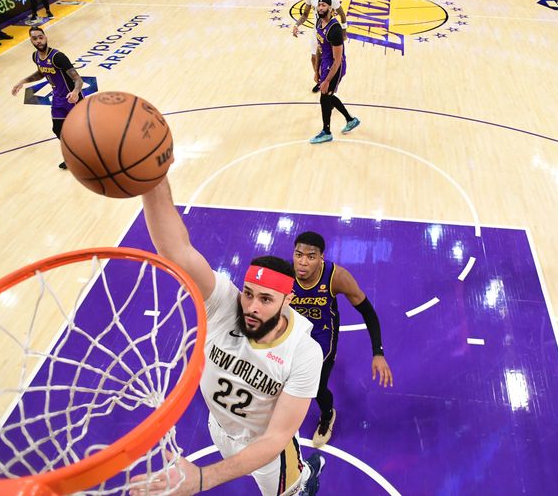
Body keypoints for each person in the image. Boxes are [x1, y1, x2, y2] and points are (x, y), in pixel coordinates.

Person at [127, 178, 326, 496]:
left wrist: (201, 479)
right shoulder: (224, 305)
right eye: (248, 293)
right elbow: (177, 250)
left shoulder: (304, 352)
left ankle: (306, 477)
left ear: (286, 302)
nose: (251, 306)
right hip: (219, 428)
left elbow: (275, 439)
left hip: (267, 450)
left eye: (266, 299)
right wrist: (152, 177)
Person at [290, 232, 393, 448]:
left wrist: (378, 352)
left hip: (322, 336)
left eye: (310, 256)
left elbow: (368, 312)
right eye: (299, 254)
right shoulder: (284, 274)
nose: (303, 261)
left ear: (321, 258)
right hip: (294, 332)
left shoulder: (336, 277)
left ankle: (327, 415)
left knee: (317, 387)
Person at [10, 27, 82, 169]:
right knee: (57, 129)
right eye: (35, 38)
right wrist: (23, 81)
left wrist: (75, 92)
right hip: (57, 98)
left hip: (71, 98)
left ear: (46, 37)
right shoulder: (35, 57)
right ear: (31, 40)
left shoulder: (58, 57)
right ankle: (73, 156)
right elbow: (41, 73)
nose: (38, 41)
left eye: (40, 37)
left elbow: (78, 79)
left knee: (83, 130)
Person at [309, 0, 359, 145]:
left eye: (324, 5)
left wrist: (327, 80)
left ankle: (327, 132)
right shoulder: (318, 22)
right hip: (325, 63)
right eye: (319, 5)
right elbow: (319, 48)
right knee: (328, 96)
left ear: (331, 9)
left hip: (336, 67)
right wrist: (316, 71)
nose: (321, 8)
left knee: (325, 97)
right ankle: (351, 120)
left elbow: (338, 60)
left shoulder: (335, 30)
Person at [292, 0, 347, 93]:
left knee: (330, 58)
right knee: (314, 57)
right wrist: (297, 25)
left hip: (328, 31)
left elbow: (342, 15)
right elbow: (305, 14)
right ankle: (319, 80)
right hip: (316, 29)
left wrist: (344, 32)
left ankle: (330, 82)